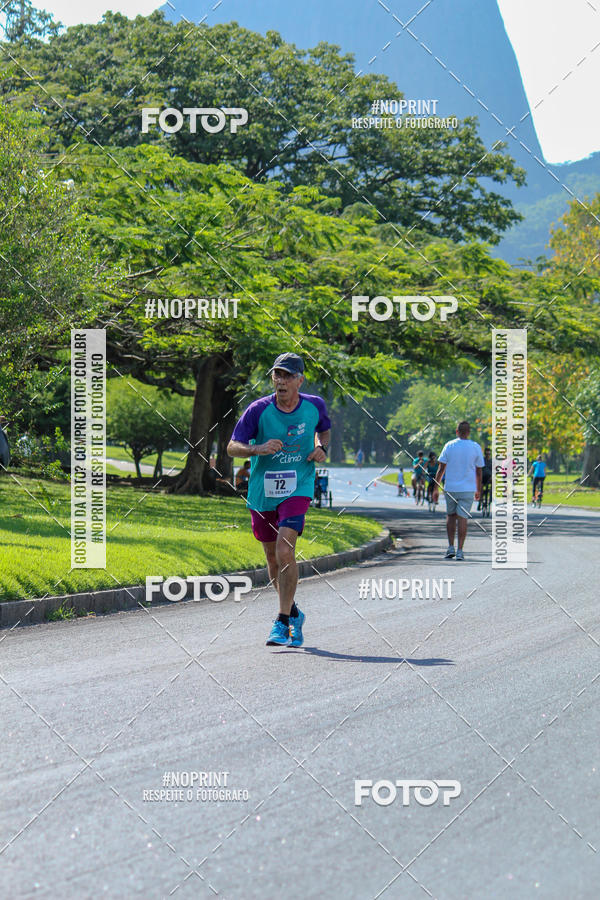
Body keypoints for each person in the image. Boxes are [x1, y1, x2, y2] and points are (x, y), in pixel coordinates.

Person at [227, 352, 331, 647]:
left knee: (286, 550)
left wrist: (320, 446)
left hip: (298, 485)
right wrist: (258, 449)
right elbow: (232, 447)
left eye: (287, 376)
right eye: (277, 375)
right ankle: (294, 612)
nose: (281, 381)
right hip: (263, 492)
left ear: (300, 379)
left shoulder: (314, 406)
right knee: (272, 558)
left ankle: (281, 621)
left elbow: (324, 429)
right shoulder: (258, 410)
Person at [435, 421, 484, 561]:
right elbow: (479, 471)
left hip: (450, 487)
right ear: (468, 432)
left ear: (457, 431)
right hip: (468, 488)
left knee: (451, 516)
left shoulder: (449, 446)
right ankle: (460, 551)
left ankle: (450, 547)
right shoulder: (475, 447)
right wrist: (478, 489)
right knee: (463, 518)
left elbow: (441, 468)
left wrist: (435, 487)